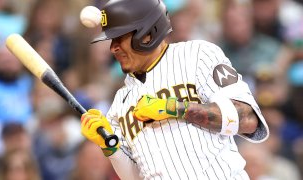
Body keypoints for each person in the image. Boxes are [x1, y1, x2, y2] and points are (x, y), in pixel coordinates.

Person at [80, 0, 269, 179]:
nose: (113, 48)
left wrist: (174, 108)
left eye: (119, 38)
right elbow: (138, 176)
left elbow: (248, 120)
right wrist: (110, 146)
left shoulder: (197, 55)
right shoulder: (119, 104)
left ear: (147, 33)